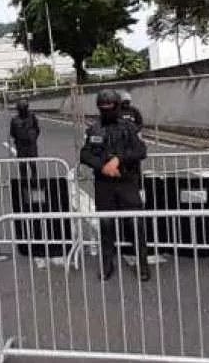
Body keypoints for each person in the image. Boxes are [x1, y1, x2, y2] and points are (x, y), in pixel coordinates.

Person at [80, 90, 150, 282]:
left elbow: (141, 151)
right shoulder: (94, 129)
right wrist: (103, 167)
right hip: (104, 184)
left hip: (127, 182)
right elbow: (85, 155)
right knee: (106, 224)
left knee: (135, 223)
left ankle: (142, 263)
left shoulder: (128, 128)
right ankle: (107, 264)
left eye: (110, 107)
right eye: (103, 108)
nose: (107, 111)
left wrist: (118, 160)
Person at [9, 99, 41, 180]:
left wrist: (32, 138)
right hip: (21, 146)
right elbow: (12, 133)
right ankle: (24, 182)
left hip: (31, 144)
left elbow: (37, 130)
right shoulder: (14, 120)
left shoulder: (32, 117)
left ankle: (34, 179)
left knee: (33, 164)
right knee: (22, 165)